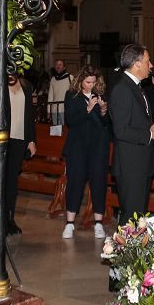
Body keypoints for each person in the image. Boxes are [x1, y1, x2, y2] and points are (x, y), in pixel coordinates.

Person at [108, 44, 154, 224]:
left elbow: (136, 122)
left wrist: (152, 131)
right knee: (130, 218)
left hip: (140, 163)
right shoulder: (122, 89)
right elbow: (121, 130)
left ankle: (132, 251)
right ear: (136, 64)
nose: (151, 66)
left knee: (138, 217)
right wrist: (150, 135)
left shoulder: (136, 87)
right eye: (147, 61)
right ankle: (122, 251)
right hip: (130, 165)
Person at [61, 65, 110, 240]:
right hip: (77, 148)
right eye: (88, 82)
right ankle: (69, 223)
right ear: (80, 81)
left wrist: (104, 111)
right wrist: (88, 109)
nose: (91, 85)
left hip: (98, 148)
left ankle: (98, 223)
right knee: (75, 184)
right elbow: (71, 121)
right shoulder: (72, 96)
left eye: (94, 82)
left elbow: (106, 125)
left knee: (98, 183)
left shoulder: (101, 97)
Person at [0, 73, 36, 236]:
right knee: (1, 180)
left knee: (12, 182)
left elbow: (30, 115)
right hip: (1, 140)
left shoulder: (26, 86)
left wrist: (31, 140)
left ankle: (10, 219)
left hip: (20, 139)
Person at [47, 59, 72, 124]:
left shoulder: (70, 77)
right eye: (57, 64)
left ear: (64, 67)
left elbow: (73, 93)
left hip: (65, 109)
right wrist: (49, 110)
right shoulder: (53, 79)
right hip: (55, 109)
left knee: (65, 130)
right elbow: (50, 95)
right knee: (56, 131)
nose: (58, 66)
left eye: (60, 65)